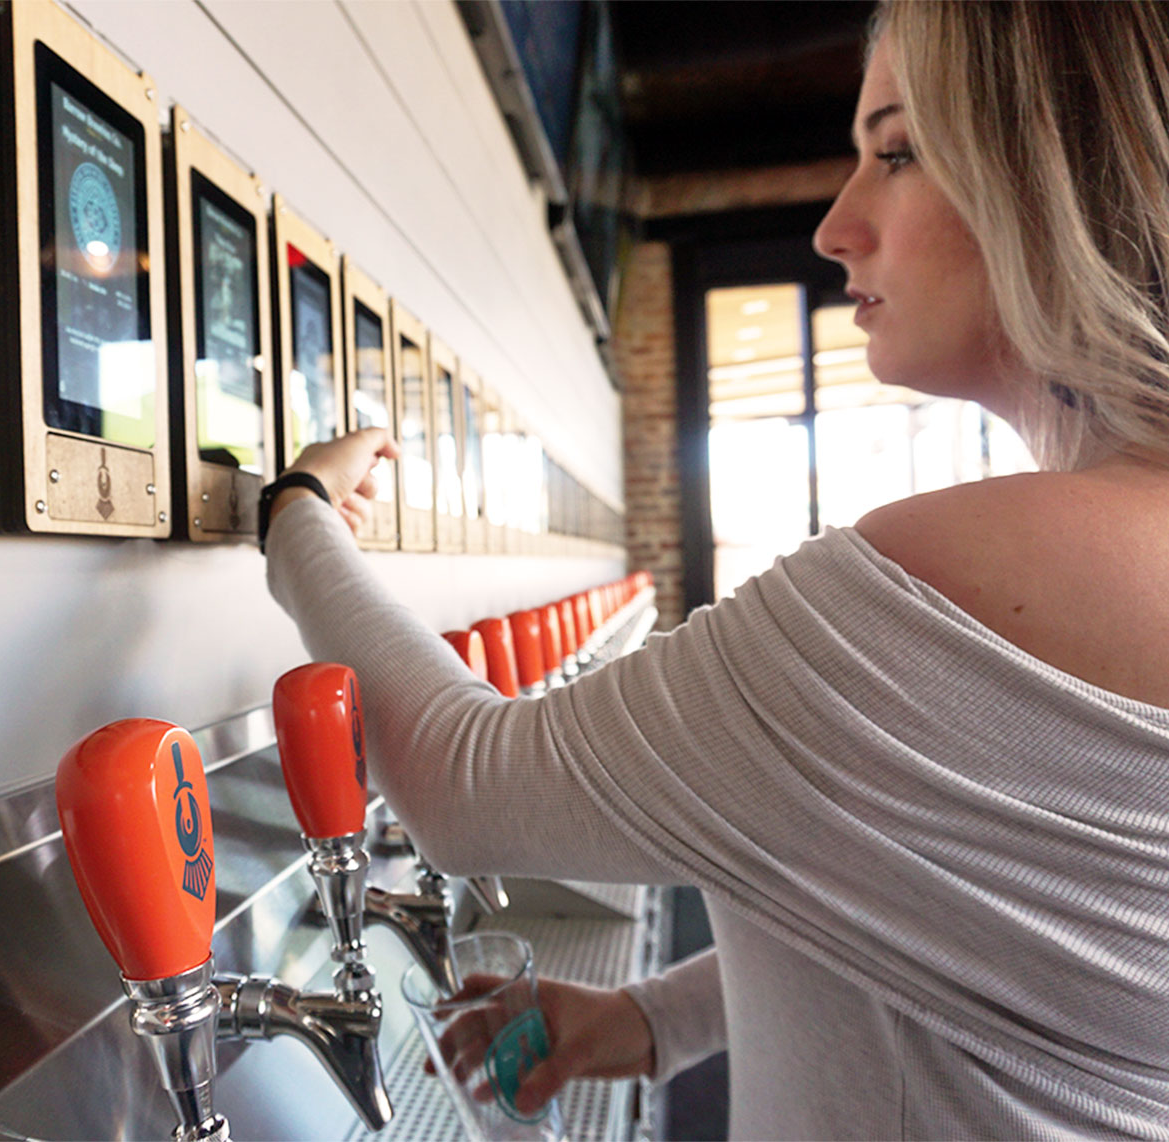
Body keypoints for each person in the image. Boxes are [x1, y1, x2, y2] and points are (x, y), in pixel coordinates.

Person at [262, 1, 1169, 1135]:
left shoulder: (952, 570)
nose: (835, 224)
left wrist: (295, 513)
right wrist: (652, 1019)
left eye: (894, 152)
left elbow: (457, 780)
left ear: (1052, 175)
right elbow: (982, 930)